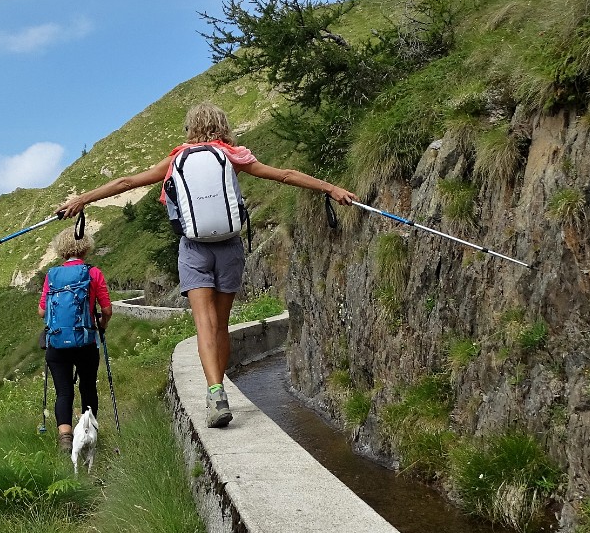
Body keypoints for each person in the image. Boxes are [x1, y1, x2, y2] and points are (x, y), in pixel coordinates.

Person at [60, 102, 357, 428]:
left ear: (191, 128)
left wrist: (82, 199)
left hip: (194, 249)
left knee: (204, 325)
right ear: (222, 126)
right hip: (228, 248)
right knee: (220, 324)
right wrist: (331, 188)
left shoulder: (176, 159)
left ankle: (216, 394)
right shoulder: (231, 155)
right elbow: (284, 175)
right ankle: (219, 385)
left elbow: (127, 182)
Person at [39, 227, 112, 453]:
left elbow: (42, 312)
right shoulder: (93, 273)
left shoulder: (52, 275)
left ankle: (65, 438)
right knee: (88, 387)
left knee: (63, 392)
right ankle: (88, 433)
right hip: (86, 340)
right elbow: (107, 309)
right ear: (85, 246)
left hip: (57, 343)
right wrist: (101, 325)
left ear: (61, 249)